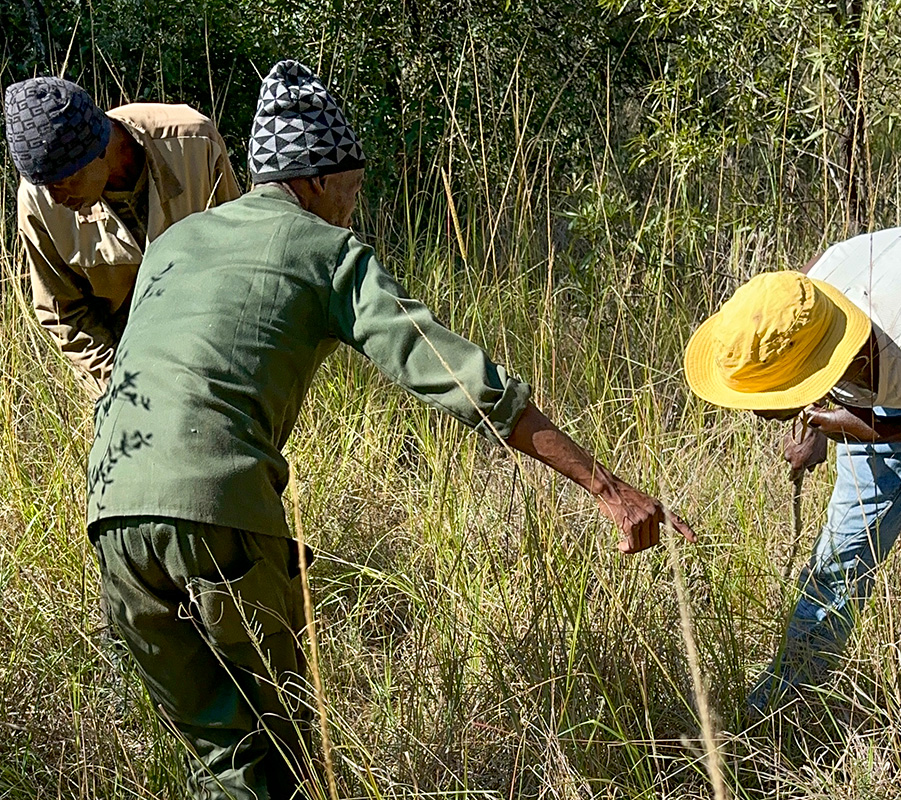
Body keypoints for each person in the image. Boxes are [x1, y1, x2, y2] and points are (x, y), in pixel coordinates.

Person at [86, 60, 695, 799]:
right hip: (215, 508)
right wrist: (606, 486)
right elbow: (460, 377)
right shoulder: (328, 251)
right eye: (353, 183)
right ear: (313, 181)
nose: (354, 202)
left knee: (223, 756)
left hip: (110, 512)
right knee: (281, 745)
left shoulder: (177, 243)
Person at [684, 227, 901, 751]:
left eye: (765, 396)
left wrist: (884, 430)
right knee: (837, 565)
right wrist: (815, 433)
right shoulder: (801, 298)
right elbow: (819, 362)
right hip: (892, 397)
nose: (754, 412)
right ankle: (774, 726)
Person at [4, 76, 240, 396]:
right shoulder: (38, 200)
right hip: (121, 365)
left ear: (99, 149)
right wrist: (123, 386)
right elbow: (65, 313)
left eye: (63, 181)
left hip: (216, 342)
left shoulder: (193, 144)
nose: (55, 198)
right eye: (43, 185)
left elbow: (240, 253)